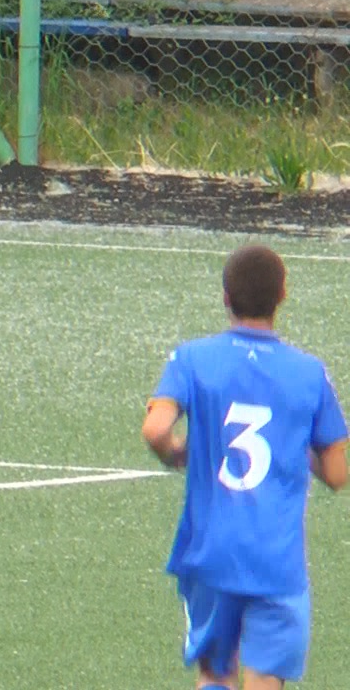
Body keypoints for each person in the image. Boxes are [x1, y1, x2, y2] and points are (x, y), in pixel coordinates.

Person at [142, 244, 347, 690]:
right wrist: (296, 447)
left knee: (215, 674)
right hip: (276, 561)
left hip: (210, 553)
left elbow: (155, 429)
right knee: (265, 678)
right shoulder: (309, 373)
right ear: (282, 297)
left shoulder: (192, 358)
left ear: (225, 297)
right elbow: (337, 474)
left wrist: (176, 453)